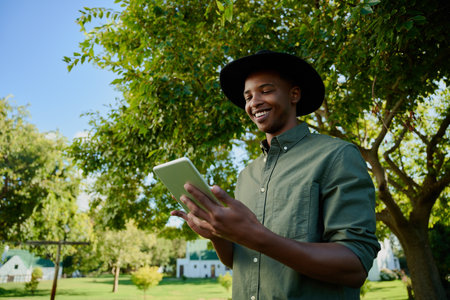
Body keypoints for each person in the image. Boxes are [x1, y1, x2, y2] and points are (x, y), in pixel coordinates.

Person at [171, 50, 380, 299]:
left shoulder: (336, 156)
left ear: (294, 94)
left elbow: (354, 265)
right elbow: (241, 262)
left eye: (266, 90)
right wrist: (218, 235)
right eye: (247, 96)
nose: (253, 102)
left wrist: (257, 237)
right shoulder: (246, 175)